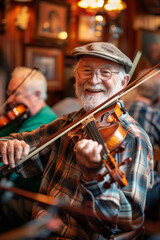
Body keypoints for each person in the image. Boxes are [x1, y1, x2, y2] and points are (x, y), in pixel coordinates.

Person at [0, 42, 154, 239]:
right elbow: (25, 149)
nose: (93, 80)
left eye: (105, 73)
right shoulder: (70, 121)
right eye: (86, 71)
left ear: (124, 83)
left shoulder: (133, 138)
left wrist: (95, 177)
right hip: (43, 230)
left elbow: (124, 222)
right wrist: (10, 146)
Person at [0, 66, 57, 230]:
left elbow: (8, 164)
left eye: (16, 93)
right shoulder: (22, 117)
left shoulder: (44, 122)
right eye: (9, 93)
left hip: (26, 197)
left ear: (37, 94)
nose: (10, 100)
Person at [128, 68, 160, 233]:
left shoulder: (123, 110)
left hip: (118, 185)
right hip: (143, 190)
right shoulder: (155, 116)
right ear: (157, 95)